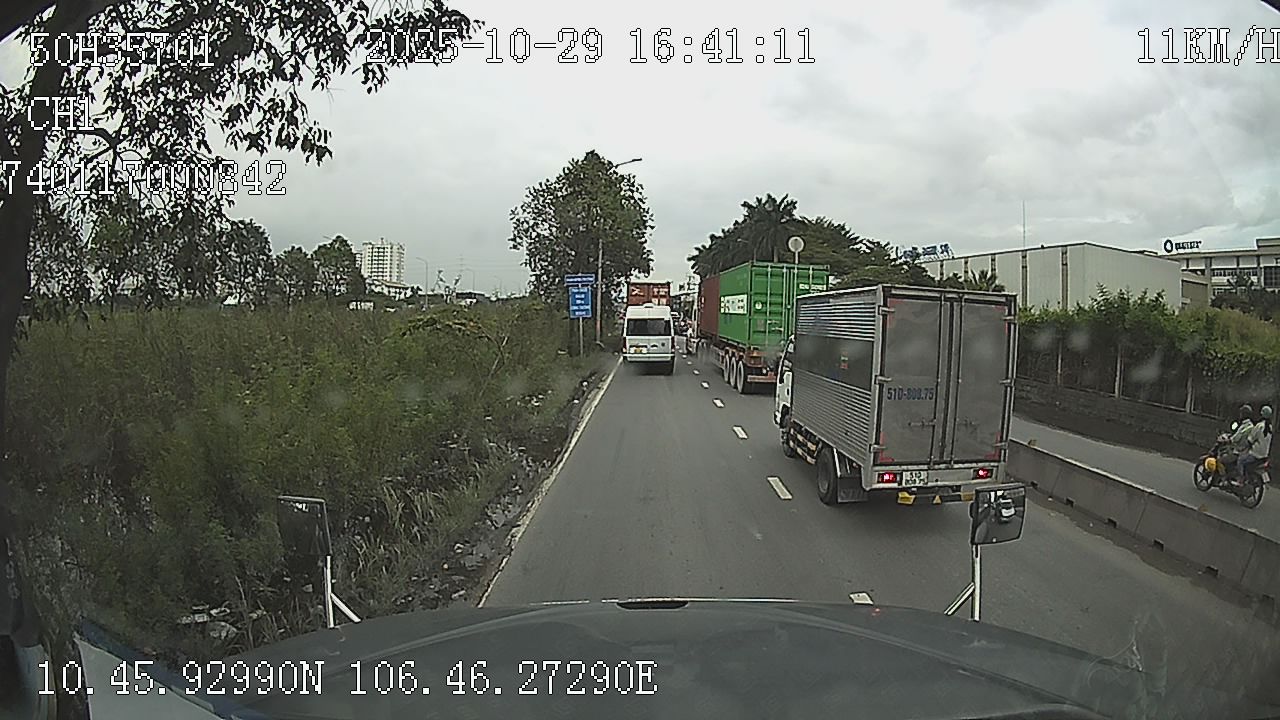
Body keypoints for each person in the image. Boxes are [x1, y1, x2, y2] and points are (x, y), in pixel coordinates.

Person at [1240, 405, 1273, 484]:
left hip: (1256, 454)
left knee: (1240, 460)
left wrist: (1245, 448)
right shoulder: (1270, 427)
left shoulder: (1259, 426)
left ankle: (1241, 480)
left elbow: (1250, 439)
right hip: (1265, 455)